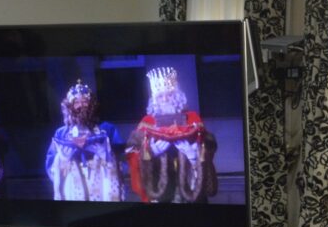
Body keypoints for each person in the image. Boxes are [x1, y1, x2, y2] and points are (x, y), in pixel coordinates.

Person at [126, 67, 217, 203]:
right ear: (155, 99)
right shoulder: (147, 122)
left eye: (169, 94)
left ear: (176, 95)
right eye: (160, 96)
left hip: (190, 184)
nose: (165, 99)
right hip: (159, 187)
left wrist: (193, 154)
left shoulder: (192, 118)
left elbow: (208, 145)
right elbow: (132, 152)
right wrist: (151, 152)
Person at [45, 80, 123, 201]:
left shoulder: (107, 129)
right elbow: (50, 164)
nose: (81, 105)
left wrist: (107, 155)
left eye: (85, 101)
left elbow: (122, 158)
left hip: (102, 182)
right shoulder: (61, 133)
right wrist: (62, 160)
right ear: (69, 106)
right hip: (72, 183)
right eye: (76, 102)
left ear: (91, 105)